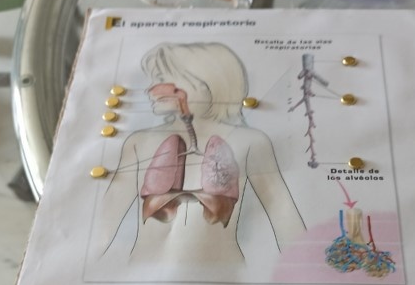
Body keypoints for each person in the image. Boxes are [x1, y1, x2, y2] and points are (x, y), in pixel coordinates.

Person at [101, 42, 305, 264]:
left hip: (226, 275)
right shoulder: (138, 142)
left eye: (161, 78)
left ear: (205, 82)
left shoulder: (251, 142)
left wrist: (309, 274)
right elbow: (106, 219)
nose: (150, 90)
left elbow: (284, 217)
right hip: (142, 272)